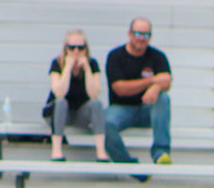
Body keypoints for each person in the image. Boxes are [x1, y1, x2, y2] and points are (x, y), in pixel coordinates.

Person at [103, 18, 172, 168]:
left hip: (147, 110)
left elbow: (167, 80)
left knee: (163, 99)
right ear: (130, 34)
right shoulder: (115, 56)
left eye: (146, 35)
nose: (142, 39)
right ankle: (129, 165)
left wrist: (156, 88)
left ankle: (161, 153)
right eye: (138, 34)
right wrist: (152, 81)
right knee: (102, 122)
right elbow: (120, 88)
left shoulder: (158, 56)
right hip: (121, 109)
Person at [46, 29, 103, 162]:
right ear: (66, 49)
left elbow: (94, 94)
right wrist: (67, 68)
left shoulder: (92, 64)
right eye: (72, 48)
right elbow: (59, 93)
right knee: (61, 102)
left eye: (80, 48)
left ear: (86, 49)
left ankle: (101, 151)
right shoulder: (57, 63)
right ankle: (56, 150)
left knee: (97, 104)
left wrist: (87, 69)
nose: (76, 51)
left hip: (80, 113)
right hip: (59, 114)